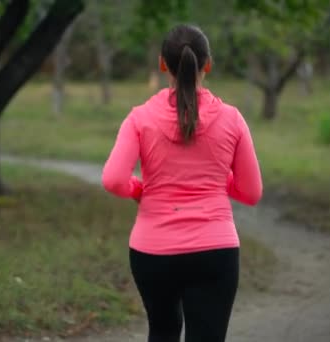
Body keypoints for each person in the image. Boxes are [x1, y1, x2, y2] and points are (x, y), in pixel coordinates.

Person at [101, 24, 263, 342]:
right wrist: (217, 180)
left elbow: (113, 179)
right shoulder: (232, 119)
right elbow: (251, 192)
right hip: (215, 251)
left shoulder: (139, 117)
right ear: (208, 64)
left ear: (163, 64)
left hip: (152, 251)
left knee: (162, 331)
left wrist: (139, 189)